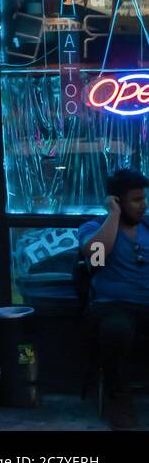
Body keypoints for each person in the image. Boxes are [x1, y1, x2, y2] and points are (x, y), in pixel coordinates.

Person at [78, 168, 149, 430]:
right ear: (116, 201)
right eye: (136, 200)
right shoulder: (94, 227)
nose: (143, 206)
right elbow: (96, 258)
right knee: (116, 330)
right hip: (112, 306)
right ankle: (119, 400)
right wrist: (114, 216)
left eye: (145, 198)